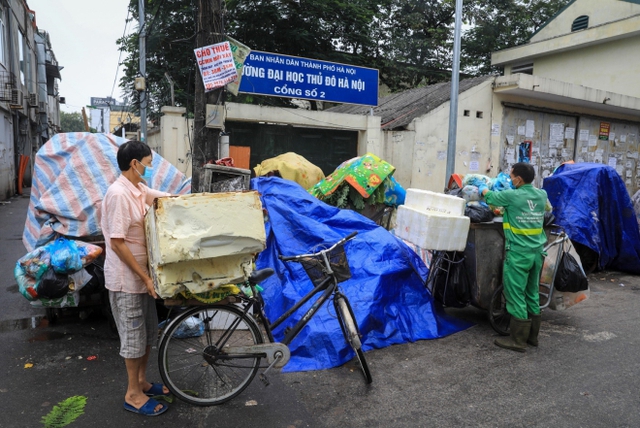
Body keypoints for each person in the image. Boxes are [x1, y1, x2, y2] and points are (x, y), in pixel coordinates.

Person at [100, 141, 171, 416]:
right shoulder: (118, 194)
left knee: (147, 334)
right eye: (148, 162)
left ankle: (141, 382)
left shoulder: (138, 190)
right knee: (133, 339)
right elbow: (117, 243)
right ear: (135, 164)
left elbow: (166, 198)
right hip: (127, 281)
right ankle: (132, 394)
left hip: (143, 280)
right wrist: (146, 277)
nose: (150, 168)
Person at [476, 163, 548, 352]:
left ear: (519, 179)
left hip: (518, 254)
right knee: (532, 294)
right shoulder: (542, 195)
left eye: (511, 176)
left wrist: (481, 187)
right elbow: (543, 208)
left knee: (515, 295)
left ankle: (517, 340)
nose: (510, 178)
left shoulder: (512, 196)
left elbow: (491, 197)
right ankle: (532, 338)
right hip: (537, 253)